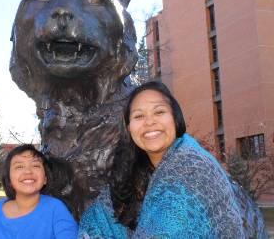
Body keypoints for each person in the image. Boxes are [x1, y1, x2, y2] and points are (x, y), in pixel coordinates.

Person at [79, 81, 268, 238]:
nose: (149, 121)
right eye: (138, 116)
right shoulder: (135, 168)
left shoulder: (192, 167)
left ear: (175, 118)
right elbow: (97, 219)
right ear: (129, 128)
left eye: (159, 112)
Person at [0, 144, 78, 239]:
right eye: (19, 166)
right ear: (9, 180)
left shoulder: (55, 209)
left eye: (35, 166)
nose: (28, 171)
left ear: (45, 179)